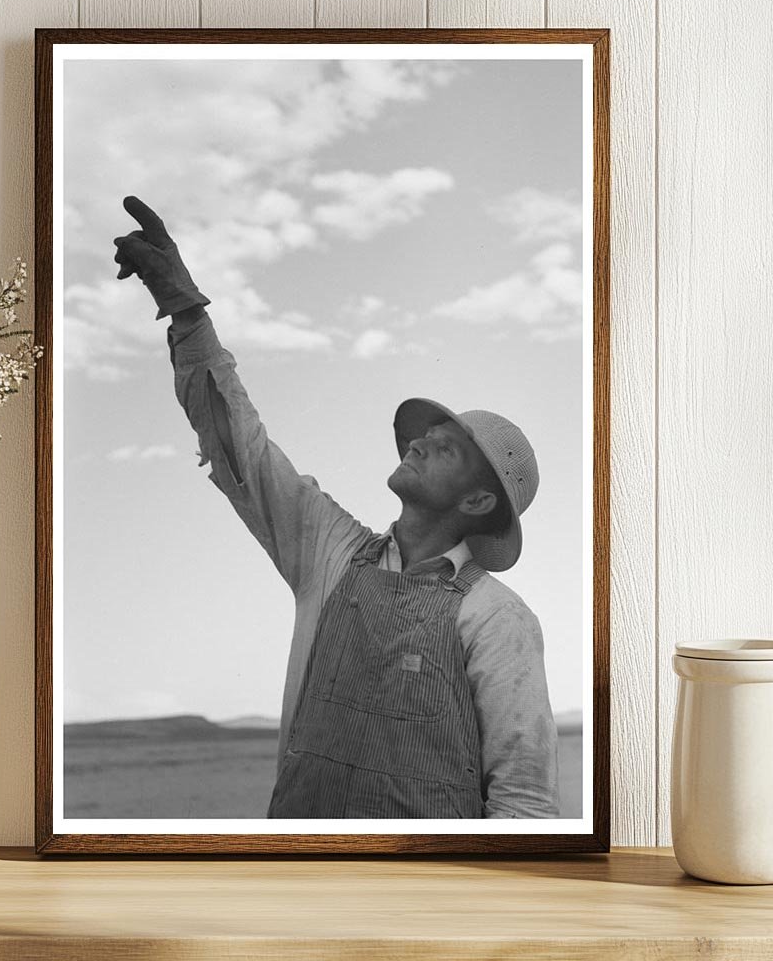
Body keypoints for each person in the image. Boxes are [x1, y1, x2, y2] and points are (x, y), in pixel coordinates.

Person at [113, 195, 560, 819]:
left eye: (450, 448)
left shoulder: (498, 619)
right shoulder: (329, 553)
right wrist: (187, 312)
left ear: (478, 499)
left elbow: (524, 803)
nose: (423, 440)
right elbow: (242, 445)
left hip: (423, 906)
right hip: (298, 879)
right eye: (426, 435)